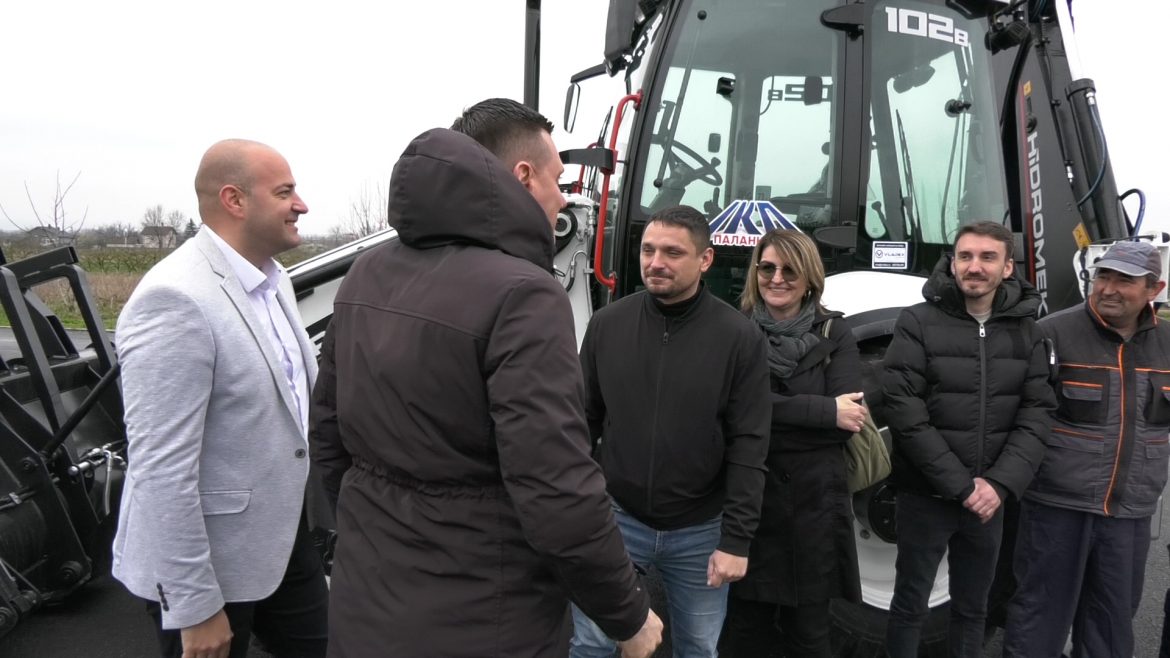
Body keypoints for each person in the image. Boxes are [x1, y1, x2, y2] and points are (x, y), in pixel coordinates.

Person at [309, 98, 662, 658]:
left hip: (366, 603)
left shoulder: (366, 273)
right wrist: (628, 613)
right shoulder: (524, 295)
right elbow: (556, 490)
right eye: (557, 179)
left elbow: (329, 437)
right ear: (522, 176)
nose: (564, 198)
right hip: (483, 618)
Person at [112, 139, 328, 658]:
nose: (301, 205)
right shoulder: (175, 298)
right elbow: (161, 468)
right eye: (285, 192)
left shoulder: (272, 281)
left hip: (281, 543)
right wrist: (195, 607)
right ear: (235, 200)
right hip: (209, 571)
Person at [571, 205, 771, 658]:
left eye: (673, 252)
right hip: (616, 519)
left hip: (701, 529)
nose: (655, 262)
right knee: (590, 644)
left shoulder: (739, 338)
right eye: (648, 250)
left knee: (698, 647)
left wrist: (736, 540)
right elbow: (582, 421)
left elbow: (749, 444)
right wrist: (579, 509)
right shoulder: (606, 326)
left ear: (705, 259)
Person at [881, 220, 1055, 657]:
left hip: (989, 501)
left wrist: (998, 484)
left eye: (987, 257)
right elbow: (904, 409)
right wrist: (961, 486)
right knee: (909, 605)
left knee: (973, 609)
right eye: (965, 256)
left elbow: (1037, 413)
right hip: (926, 495)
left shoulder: (1028, 333)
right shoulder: (917, 322)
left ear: (1007, 267)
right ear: (953, 262)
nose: (974, 266)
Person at [1003, 239, 1170, 658]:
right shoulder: (1051, 334)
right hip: (1056, 508)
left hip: (1130, 512)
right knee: (1037, 620)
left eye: (1124, 280)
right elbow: (1018, 417)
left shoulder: (1168, 344)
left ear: (1155, 289)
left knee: (1110, 627)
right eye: (1103, 277)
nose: (1109, 289)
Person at [720, 228, 863, 657]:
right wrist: (823, 411)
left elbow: (847, 422)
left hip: (813, 510)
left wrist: (762, 414)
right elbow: (727, 410)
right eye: (767, 268)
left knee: (811, 636)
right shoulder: (733, 330)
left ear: (809, 277)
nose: (776, 278)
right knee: (744, 633)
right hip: (751, 505)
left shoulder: (836, 332)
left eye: (789, 269)